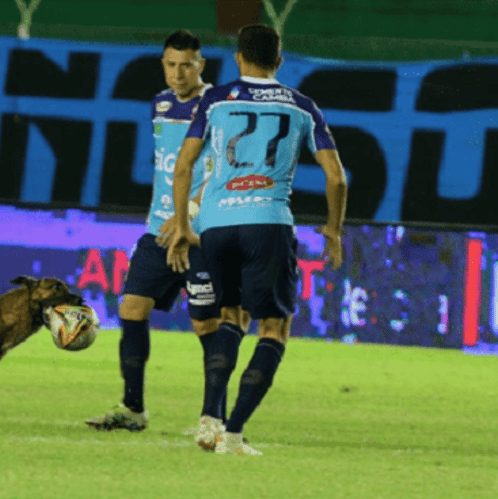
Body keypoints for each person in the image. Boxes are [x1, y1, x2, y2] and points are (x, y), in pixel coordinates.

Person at [169, 24, 347, 454]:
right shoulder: (303, 106)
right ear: (280, 62)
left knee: (230, 317)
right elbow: (337, 178)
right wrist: (334, 230)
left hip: (216, 224)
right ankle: (233, 434)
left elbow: (183, 166)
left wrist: (182, 226)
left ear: (238, 58)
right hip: (268, 220)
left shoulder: (214, 99)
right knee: (274, 325)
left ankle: (209, 421)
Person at [86, 30, 247, 432]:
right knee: (131, 310)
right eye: (171, 65)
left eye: (186, 65)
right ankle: (132, 408)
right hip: (158, 230)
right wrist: (169, 219)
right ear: (163, 64)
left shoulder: (220, 108)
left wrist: (187, 216)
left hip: (201, 233)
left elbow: (225, 170)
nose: (178, 73)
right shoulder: (160, 104)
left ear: (201, 65)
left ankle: (215, 417)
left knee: (205, 324)